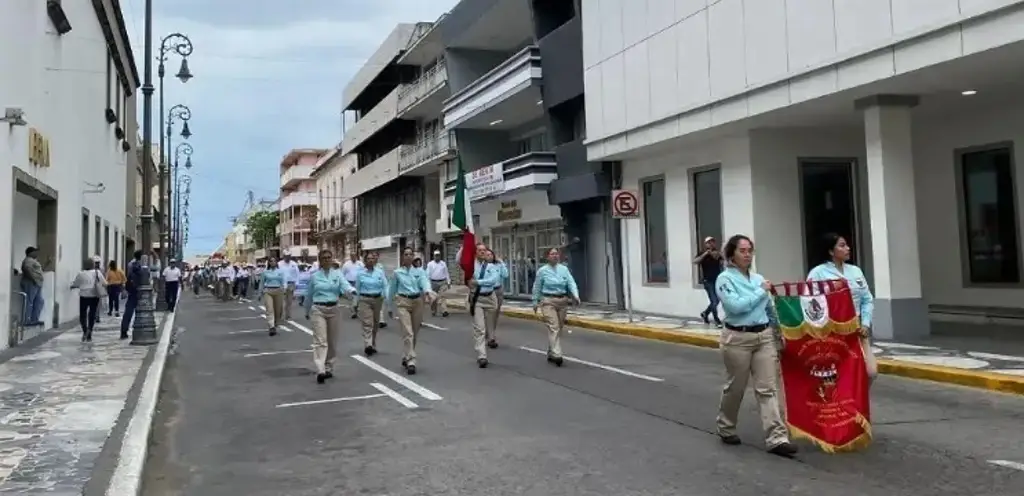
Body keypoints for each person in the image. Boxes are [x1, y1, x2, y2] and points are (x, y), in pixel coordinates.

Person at [714, 234, 796, 457]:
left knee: (767, 388)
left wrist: (779, 332)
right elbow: (735, 307)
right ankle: (726, 425)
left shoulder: (758, 278)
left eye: (750, 250)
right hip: (737, 339)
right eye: (742, 250)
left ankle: (776, 437)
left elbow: (769, 308)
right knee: (736, 387)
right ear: (731, 254)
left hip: (763, 336)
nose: (747, 254)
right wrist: (761, 290)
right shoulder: (724, 279)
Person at [807, 232, 877, 384]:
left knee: (869, 372)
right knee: (835, 375)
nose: (848, 248)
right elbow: (810, 302)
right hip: (831, 330)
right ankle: (837, 406)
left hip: (857, 328)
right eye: (842, 245)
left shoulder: (855, 271)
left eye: (847, 245)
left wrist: (865, 323)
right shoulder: (818, 273)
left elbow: (867, 299)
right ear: (831, 251)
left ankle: (859, 405)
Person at [302, 249, 356, 384]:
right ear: (320, 261)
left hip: (333, 309)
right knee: (321, 340)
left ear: (332, 259)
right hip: (318, 309)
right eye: (324, 258)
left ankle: (329, 367)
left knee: (332, 341)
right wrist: (306, 310)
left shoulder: (337, 274)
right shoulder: (315, 276)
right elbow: (309, 295)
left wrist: (351, 291)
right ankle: (320, 369)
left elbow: (345, 285)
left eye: (329, 257)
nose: (326, 260)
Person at [390, 247, 437, 375]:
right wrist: (389, 307)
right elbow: (392, 290)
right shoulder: (397, 273)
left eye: (411, 254)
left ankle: (406, 355)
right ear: (402, 257)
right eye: (406, 254)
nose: (408, 256)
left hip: (417, 301)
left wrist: (427, 291)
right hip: (403, 302)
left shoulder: (419, 271)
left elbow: (425, 282)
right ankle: (411, 361)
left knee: (414, 332)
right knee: (408, 332)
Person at [531, 247, 580, 366]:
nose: (555, 256)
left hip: (562, 300)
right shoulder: (542, 271)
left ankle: (551, 350)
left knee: (559, 327)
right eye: (552, 254)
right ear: (547, 257)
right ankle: (557, 354)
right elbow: (537, 286)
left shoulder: (564, 269)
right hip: (548, 301)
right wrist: (535, 301)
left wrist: (575, 295)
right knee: (554, 326)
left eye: (556, 254)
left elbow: (571, 282)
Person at [468, 243, 502, 368]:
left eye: (484, 250)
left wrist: (478, 282)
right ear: (476, 252)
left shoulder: (491, 266)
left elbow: (494, 280)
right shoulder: (471, 266)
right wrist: (465, 246)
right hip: (478, 299)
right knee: (479, 328)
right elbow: (459, 259)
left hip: (491, 298)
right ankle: (482, 356)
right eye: (480, 250)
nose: (482, 252)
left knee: (491, 325)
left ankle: (491, 337)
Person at [353, 251, 389, 356]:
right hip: (365, 299)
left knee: (376, 323)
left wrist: (385, 297)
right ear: (365, 261)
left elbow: (385, 285)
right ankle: (367, 344)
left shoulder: (379, 272)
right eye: (368, 259)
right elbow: (357, 289)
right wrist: (356, 302)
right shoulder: (360, 273)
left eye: (372, 258)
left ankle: (372, 344)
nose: (371, 260)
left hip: (377, 299)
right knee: (368, 323)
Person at [71, 257, 107, 342]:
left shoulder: (80, 274)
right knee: (92, 314)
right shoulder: (97, 272)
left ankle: (85, 330)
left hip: (84, 296)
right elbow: (105, 283)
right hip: (94, 295)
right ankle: (90, 332)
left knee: (83, 315)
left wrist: (73, 286)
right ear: (93, 264)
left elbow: (76, 283)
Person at [694, 236, 724, 327]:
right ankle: (716, 320)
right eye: (709, 242)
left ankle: (705, 313)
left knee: (717, 300)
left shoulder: (717, 253)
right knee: (714, 301)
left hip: (717, 280)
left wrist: (716, 254)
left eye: (712, 242)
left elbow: (721, 259)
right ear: (705, 244)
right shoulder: (702, 253)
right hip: (708, 281)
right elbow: (695, 261)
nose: (711, 244)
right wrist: (705, 254)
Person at [258, 256, 286, 336]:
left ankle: (276, 324)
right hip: (268, 291)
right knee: (269, 309)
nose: (273, 262)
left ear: (276, 262)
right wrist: (260, 293)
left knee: (278, 310)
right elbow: (261, 283)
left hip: (278, 291)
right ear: (269, 263)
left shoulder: (280, 271)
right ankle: (271, 326)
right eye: (271, 261)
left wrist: (284, 289)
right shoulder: (265, 272)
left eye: (274, 261)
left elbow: (283, 281)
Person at [120, 250, 145, 340]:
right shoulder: (136, 265)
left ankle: (124, 330)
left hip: (133, 290)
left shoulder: (132, 264)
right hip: (136, 290)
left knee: (129, 311)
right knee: (135, 311)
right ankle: (129, 330)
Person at [487, 249, 508, 348]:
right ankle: (489, 334)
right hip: (487, 292)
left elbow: (505, 275)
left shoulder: (498, 265)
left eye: (491, 254)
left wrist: (502, 263)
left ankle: (491, 333)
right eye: (487, 255)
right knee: (488, 314)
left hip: (498, 290)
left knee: (495, 314)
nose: (489, 256)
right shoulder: (482, 266)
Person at [20, 247, 45, 326]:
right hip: (31, 282)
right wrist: (33, 279)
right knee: (29, 301)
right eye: (34, 252)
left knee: (39, 301)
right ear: (30, 253)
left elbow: (38, 271)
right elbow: (26, 269)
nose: (36, 253)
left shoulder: (34, 261)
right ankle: (27, 320)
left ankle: (34, 319)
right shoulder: (28, 260)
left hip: (37, 283)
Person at [425, 250, 450, 317]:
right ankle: (433, 311)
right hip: (433, 283)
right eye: (436, 255)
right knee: (434, 298)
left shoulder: (443, 263)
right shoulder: (430, 264)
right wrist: (427, 285)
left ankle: (444, 311)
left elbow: (446, 273)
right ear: (434, 256)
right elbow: (427, 275)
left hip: (442, 282)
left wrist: (448, 282)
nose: (437, 257)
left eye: (438, 255)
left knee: (443, 296)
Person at [341, 252, 364, 318]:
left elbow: (364, 272)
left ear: (356, 256)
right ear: (350, 257)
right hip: (349, 283)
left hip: (357, 283)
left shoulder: (360, 264)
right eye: (352, 256)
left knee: (356, 297)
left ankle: (355, 311)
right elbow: (342, 274)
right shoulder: (346, 264)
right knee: (351, 298)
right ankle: (354, 310)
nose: (353, 257)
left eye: (354, 256)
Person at [278, 255, 300, 319]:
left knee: (289, 301)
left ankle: (288, 316)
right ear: (284, 256)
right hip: (282, 284)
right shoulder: (279, 264)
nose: (287, 257)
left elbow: (297, 273)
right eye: (286, 256)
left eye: (289, 256)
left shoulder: (293, 264)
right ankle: (279, 315)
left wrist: (297, 283)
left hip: (291, 284)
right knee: (282, 301)